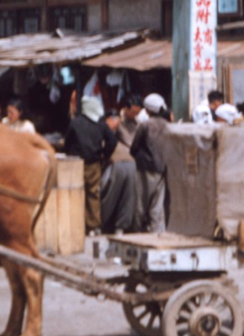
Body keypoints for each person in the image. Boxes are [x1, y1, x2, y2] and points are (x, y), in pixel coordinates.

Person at [64, 96, 118, 234]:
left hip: (76, 165)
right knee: (93, 195)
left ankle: (77, 224)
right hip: (94, 164)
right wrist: (104, 155)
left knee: (77, 194)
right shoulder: (101, 125)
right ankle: (94, 226)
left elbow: (67, 143)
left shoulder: (75, 123)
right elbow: (112, 142)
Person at [130, 93, 172, 233]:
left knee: (141, 204)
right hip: (162, 169)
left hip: (145, 169)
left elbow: (134, 147)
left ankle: (138, 232)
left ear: (147, 110)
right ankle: (157, 234)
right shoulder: (168, 126)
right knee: (157, 206)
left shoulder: (145, 125)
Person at [100, 109, 139, 233]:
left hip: (117, 163)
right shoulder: (122, 128)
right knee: (127, 197)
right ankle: (121, 227)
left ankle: (102, 225)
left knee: (110, 196)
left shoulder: (104, 129)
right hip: (131, 162)